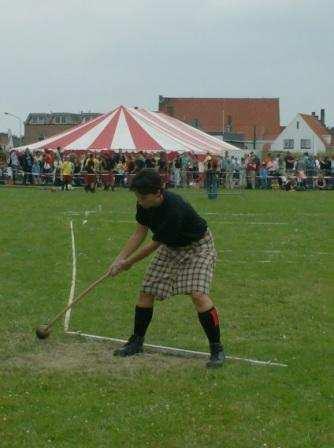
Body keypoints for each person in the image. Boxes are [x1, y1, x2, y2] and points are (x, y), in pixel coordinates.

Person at [108, 168, 225, 368]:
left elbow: (154, 244)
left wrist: (128, 264)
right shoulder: (143, 203)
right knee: (147, 291)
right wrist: (119, 259)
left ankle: (217, 349)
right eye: (138, 197)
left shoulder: (174, 209)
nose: (140, 201)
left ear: (158, 193)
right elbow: (139, 233)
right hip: (171, 247)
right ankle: (136, 342)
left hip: (198, 247)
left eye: (143, 197)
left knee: (197, 294)